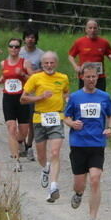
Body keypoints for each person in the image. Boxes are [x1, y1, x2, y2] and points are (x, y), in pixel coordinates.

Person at [64, 63, 111, 220]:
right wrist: (72, 123)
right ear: (82, 77)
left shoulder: (104, 97)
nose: (91, 79)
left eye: (94, 76)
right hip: (78, 144)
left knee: (95, 179)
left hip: (97, 144)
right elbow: (66, 117)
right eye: (88, 77)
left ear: (97, 77)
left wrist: (109, 128)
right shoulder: (75, 97)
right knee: (80, 184)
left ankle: (93, 219)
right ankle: (78, 194)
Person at [21, 51, 70, 202]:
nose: (49, 66)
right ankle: (45, 168)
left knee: (55, 152)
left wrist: (67, 100)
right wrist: (40, 97)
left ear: (56, 63)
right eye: (46, 63)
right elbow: (23, 99)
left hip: (56, 117)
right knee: (41, 155)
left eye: (52, 63)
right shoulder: (35, 78)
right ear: (42, 65)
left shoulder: (63, 78)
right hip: (39, 118)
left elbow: (67, 93)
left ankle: (54, 186)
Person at [0, 37, 33, 168]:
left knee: (23, 131)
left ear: (20, 49)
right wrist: (0, 79)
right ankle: (16, 160)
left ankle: (20, 141)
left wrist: (23, 75)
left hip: (22, 98)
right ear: (8, 48)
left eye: (16, 46)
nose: (14, 49)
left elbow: (33, 79)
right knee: (12, 128)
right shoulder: (3, 63)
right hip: (8, 98)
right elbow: (5, 76)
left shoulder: (25, 63)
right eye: (11, 46)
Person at [68, 19, 111, 90]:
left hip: (99, 77)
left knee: (99, 98)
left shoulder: (104, 42)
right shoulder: (79, 42)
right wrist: (76, 67)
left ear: (98, 29)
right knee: (84, 98)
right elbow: (71, 56)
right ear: (86, 29)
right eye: (90, 28)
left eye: (95, 28)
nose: (92, 30)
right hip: (84, 77)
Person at [20, 28, 44, 161]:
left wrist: (32, 74)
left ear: (36, 39)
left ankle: (29, 146)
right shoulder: (19, 51)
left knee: (31, 121)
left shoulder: (41, 54)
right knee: (20, 119)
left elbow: (46, 69)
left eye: (33, 37)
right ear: (24, 38)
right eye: (28, 37)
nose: (30, 39)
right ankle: (21, 143)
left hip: (34, 92)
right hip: (19, 89)